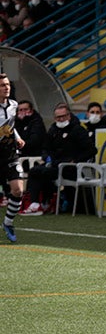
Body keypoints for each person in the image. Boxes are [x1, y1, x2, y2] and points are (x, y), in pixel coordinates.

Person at [22, 102, 95, 217]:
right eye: (58, 117)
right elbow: (45, 148)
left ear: (69, 116)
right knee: (36, 171)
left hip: (71, 168)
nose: (60, 119)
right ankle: (36, 203)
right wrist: (47, 158)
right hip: (55, 165)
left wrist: (75, 160)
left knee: (42, 172)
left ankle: (44, 202)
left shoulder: (78, 130)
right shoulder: (53, 130)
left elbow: (91, 150)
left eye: (63, 116)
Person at [0, 75, 27, 241]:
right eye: (2, 85)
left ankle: (8, 222)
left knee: (18, 190)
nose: (6, 88)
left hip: (9, 152)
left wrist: (17, 137)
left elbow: (11, 125)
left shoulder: (14, 105)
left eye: (7, 84)